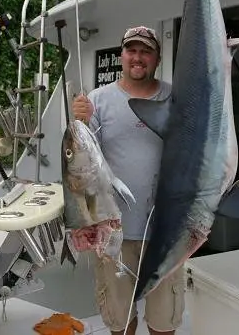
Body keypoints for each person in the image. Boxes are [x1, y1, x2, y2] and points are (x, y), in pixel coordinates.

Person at [71, 26, 185, 335]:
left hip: (167, 230)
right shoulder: (98, 100)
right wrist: (78, 122)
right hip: (114, 230)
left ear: (157, 58)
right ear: (121, 56)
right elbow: (82, 168)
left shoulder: (176, 97)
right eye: (131, 50)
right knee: (119, 321)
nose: (138, 57)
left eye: (146, 51)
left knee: (164, 320)